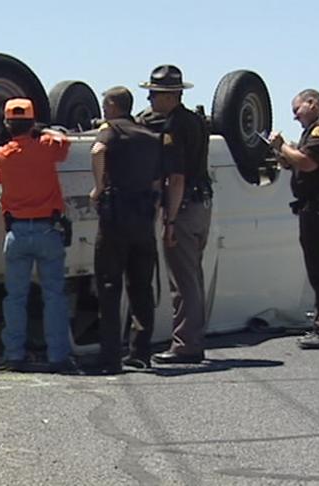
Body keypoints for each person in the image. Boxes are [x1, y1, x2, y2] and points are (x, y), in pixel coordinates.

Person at [0, 98, 73, 372]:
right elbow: (65, 141)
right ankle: (58, 356)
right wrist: (45, 131)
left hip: (16, 232)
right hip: (47, 230)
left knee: (14, 298)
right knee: (54, 296)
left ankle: (14, 354)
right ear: (32, 123)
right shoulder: (47, 148)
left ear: (6, 124)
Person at [137, 65, 212, 364]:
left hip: (184, 205)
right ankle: (191, 339)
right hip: (201, 204)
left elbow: (177, 177)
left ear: (170, 96)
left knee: (182, 281)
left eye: (155, 94)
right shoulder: (194, 121)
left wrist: (169, 219)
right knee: (193, 276)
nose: (151, 99)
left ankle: (186, 345)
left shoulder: (173, 128)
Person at [90, 86, 163, 373]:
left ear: (111, 104)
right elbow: (158, 182)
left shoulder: (112, 130)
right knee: (142, 287)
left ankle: (110, 358)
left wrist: (97, 188)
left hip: (116, 215)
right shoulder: (149, 136)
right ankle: (140, 352)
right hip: (143, 216)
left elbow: (97, 150)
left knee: (109, 285)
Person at [269, 89, 319, 349]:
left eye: (296, 110)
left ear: (312, 103)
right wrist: (284, 155)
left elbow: (309, 163)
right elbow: (300, 162)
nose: (295, 117)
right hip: (315, 206)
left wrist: (283, 147)